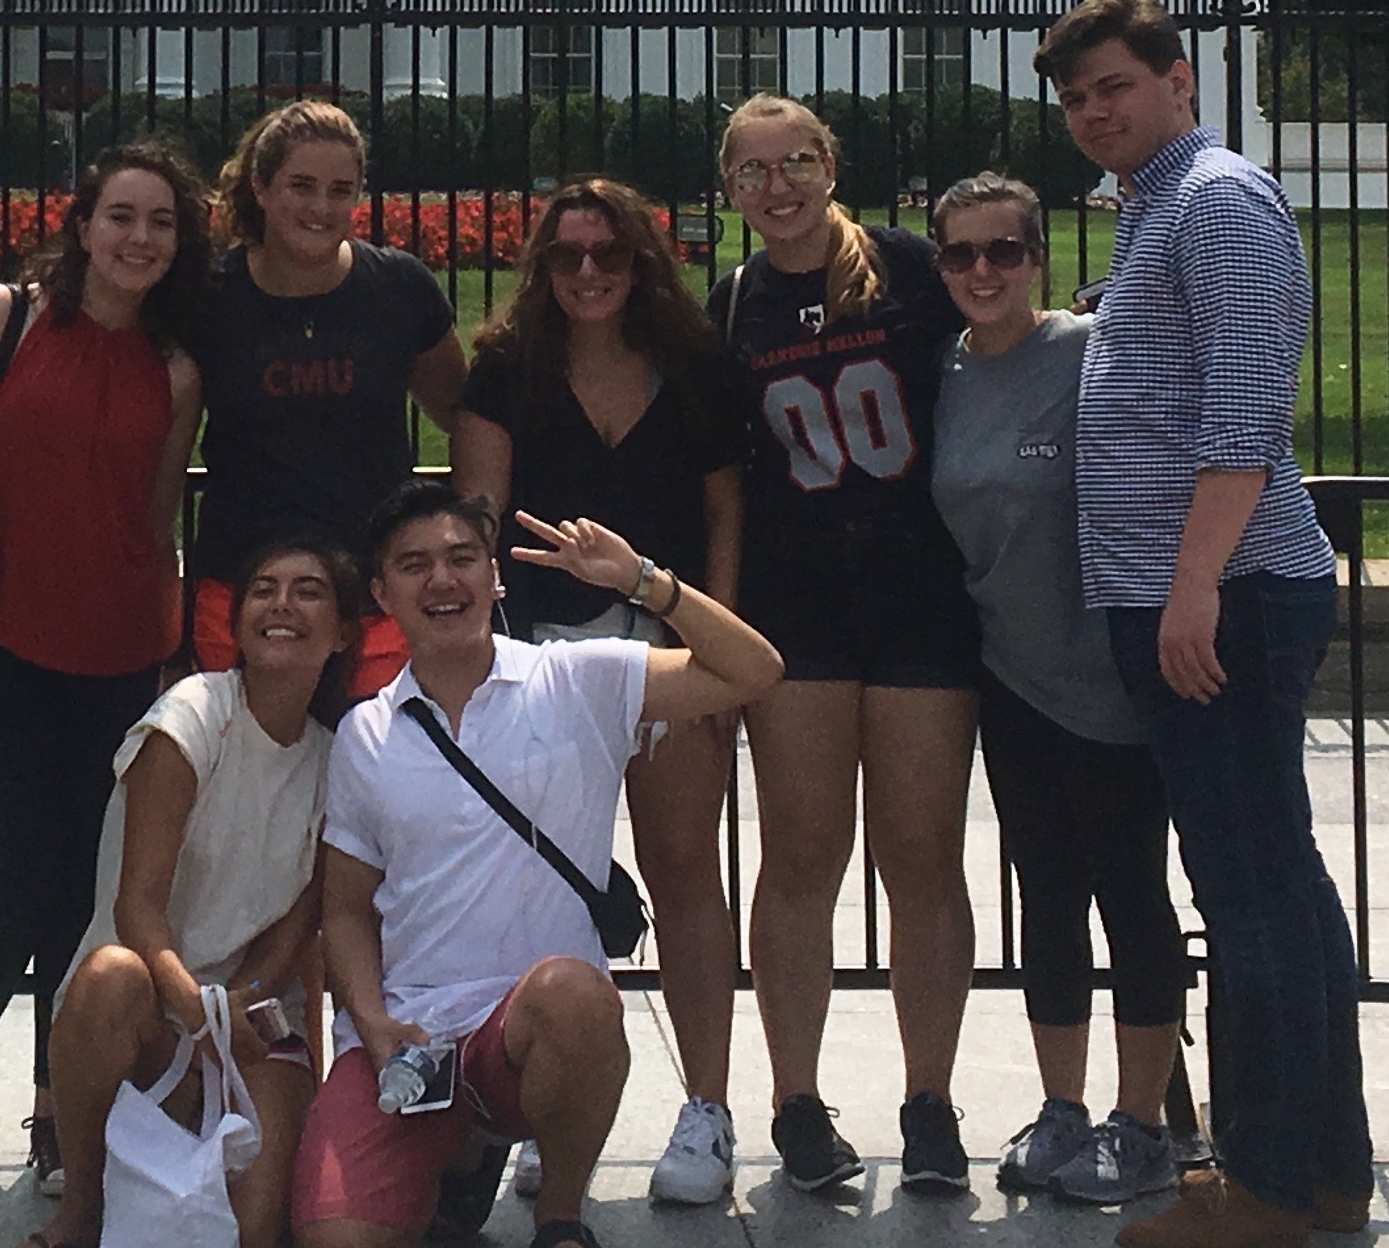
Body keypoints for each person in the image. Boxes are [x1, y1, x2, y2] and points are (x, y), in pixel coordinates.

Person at [1039, 0, 1370, 1248]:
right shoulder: (1155, 208)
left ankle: (1272, 1186)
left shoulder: (1217, 201)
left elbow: (1241, 421)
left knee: (1250, 897)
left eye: (1114, 86)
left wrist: (1189, 593)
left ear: (1178, 80)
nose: (1093, 113)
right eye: (1075, 99)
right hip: (1189, 593)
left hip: (1218, 596)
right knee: (1268, 884)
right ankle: (1323, 1172)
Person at [292, 481, 783, 1248]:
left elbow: (755, 670)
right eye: (415, 566)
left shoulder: (575, 678)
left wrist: (643, 582)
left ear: (495, 576)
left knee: (575, 995)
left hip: (527, 1027)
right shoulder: (364, 733)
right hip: (411, 1036)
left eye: (462, 558)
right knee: (335, 1238)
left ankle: (558, 1214)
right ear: (383, 592)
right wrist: (373, 1020)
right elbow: (347, 908)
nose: (443, 580)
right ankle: (455, 1158)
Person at [0, 143, 211, 1191]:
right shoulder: (6, 316)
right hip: (2, 639)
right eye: (120, 216)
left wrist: (168, 642)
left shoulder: (173, 367)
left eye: (159, 222)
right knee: (19, 879)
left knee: (89, 894)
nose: (138, 238)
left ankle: (53, 1099)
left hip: (122, 650)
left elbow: (156, 509)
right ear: (81, 224)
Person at [451, 177, 749, 1206]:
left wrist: (711, 657)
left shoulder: (692, 366)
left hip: (661, 654)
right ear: (541, 264)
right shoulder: (506, 370)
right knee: (547, 881)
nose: (587, 273)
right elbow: (476, 522)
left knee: (681, 872)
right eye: (568, 254)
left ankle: (705, 1106)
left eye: (608, 254)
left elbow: (722, 517)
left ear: (640, 263)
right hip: (543, 660)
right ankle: (548, 1098)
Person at [708, 93, 977, 1194]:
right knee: (801, 859)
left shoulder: (907, 267)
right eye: (751, 172)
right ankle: (795, 1099)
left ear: (830, 165)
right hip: (797, 608)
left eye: (796, 161)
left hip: (919, 596)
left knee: (918, 857)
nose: (777, 187)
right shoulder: (728, 305)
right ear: (727, 191)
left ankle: (927, 1097)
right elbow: (720, 476)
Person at [925, 170, 1187, 1207]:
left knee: (1130, 892)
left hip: (1113, 675)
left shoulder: (1088, 353)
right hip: (1010, 673)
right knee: (1045, 896)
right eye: (959, 253)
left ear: (1038, 255)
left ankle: (1142, 1121)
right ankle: (1063, 1106)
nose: (982, 271)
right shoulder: (939, 371)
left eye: (1004, 250)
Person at [37, 540, 364, 1248]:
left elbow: (297, 927)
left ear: (342, 633)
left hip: (250, 1012)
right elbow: (137, 905)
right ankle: (82, 1209)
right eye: (264, 589)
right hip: (150, 1002)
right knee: (108, 975)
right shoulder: (190, 715)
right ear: (237, 619)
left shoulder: (338, 760)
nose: (282, 604)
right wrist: (194, 1009)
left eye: (308, 591)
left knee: (250, 1234)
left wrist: (239, 1010)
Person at [192, 100, 468, 698]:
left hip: (371, 591)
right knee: (250, 779)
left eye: (340, 190)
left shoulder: (398, 289)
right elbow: (165, 450)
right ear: (261, 187)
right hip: (242, 588)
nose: (321, 208)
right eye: (302, 186)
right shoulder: (211, 298)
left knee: (371, 778)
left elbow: (464, 418)